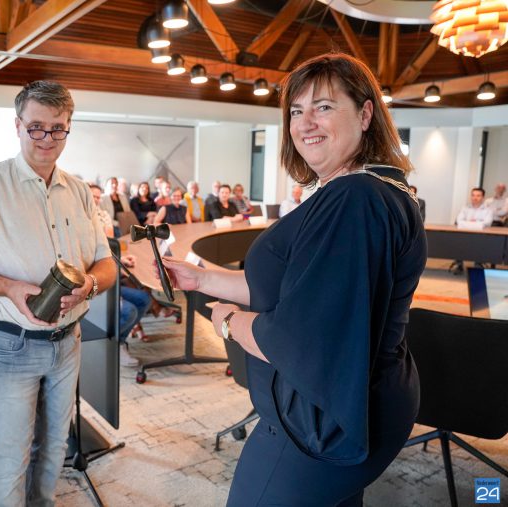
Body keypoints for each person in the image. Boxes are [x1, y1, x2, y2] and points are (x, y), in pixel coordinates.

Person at [160, 53, 425, 506]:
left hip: (322, 419)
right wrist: (200, 280)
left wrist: (229, 323)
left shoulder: (354, 199)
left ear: (365, 114)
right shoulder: (369, 189)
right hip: (363, 398)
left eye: (324, 107)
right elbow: (289, 287)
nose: (305, 123)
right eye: (296, 111)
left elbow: (300, 340)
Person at [0, 81, 116, 506]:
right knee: (10, 458)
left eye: (57, 128)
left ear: (68, 128)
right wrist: (9, 287)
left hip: (69, 342)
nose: (46, 138)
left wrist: (88, 286)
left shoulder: (79, 190)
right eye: (36, 127)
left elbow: (106, 263)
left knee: (54, 448)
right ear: (18, 125)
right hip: (11, 345)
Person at [90, 184, 144, 366]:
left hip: (108, 273)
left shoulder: (103, 215)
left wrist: (121, 261)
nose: (96, 200)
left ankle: (118, 342)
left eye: (98, 197)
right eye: (92, 196)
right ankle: (107, 346)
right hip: (94, 281)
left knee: (143, 299)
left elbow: (108, 247)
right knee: (129, 310)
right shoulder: (79, 217)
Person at [450, 187, 493, 274]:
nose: (475, 198)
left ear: (483, 197)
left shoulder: (488, 210)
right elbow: (459, 221)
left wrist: (467, 223)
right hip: (465, 235)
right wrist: (478, 223)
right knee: (458, 241)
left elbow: (487, 223)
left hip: (481, 237)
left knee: (479, 244)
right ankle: (459, 264)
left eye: (478, 195)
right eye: (473, 195)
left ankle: (478, 264)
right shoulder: (465, 208)